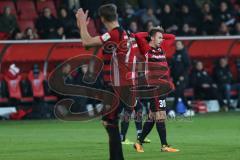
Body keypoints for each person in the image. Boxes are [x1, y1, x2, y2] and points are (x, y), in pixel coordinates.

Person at [76, 4, 137, 160]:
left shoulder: (113, 34)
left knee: (109, 123)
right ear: (115, 15)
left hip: (118, 87)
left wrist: (82, 23)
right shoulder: (127, 33)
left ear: (102, 19)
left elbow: (86, 43)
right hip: (125, 85)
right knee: (109, 122)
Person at [133, 27, 179, 153]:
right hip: (155, 87)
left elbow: (172, 37)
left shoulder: (161, 49)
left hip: (163, 87)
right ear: (152, 38)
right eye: (159, 37)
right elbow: (137, 35)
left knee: (152, 117)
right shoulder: (147, 49)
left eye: (161, 38)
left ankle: (138, 142)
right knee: (160, 116)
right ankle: (164, 145)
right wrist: (148, 33)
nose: (161, 40)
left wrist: (159, 31)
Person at [170, 41, 191, 111]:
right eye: (176, 44)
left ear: (182, 45)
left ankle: (173, 109)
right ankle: (189, 108)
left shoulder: (184, 54)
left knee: (177, 92)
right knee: (181, 94)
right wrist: (171, 76)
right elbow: (172, 67)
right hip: (175, 78)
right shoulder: (174, 55)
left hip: (182, 78)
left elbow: (188, 66)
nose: (177, 46)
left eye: (179, 44)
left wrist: (183, 75)